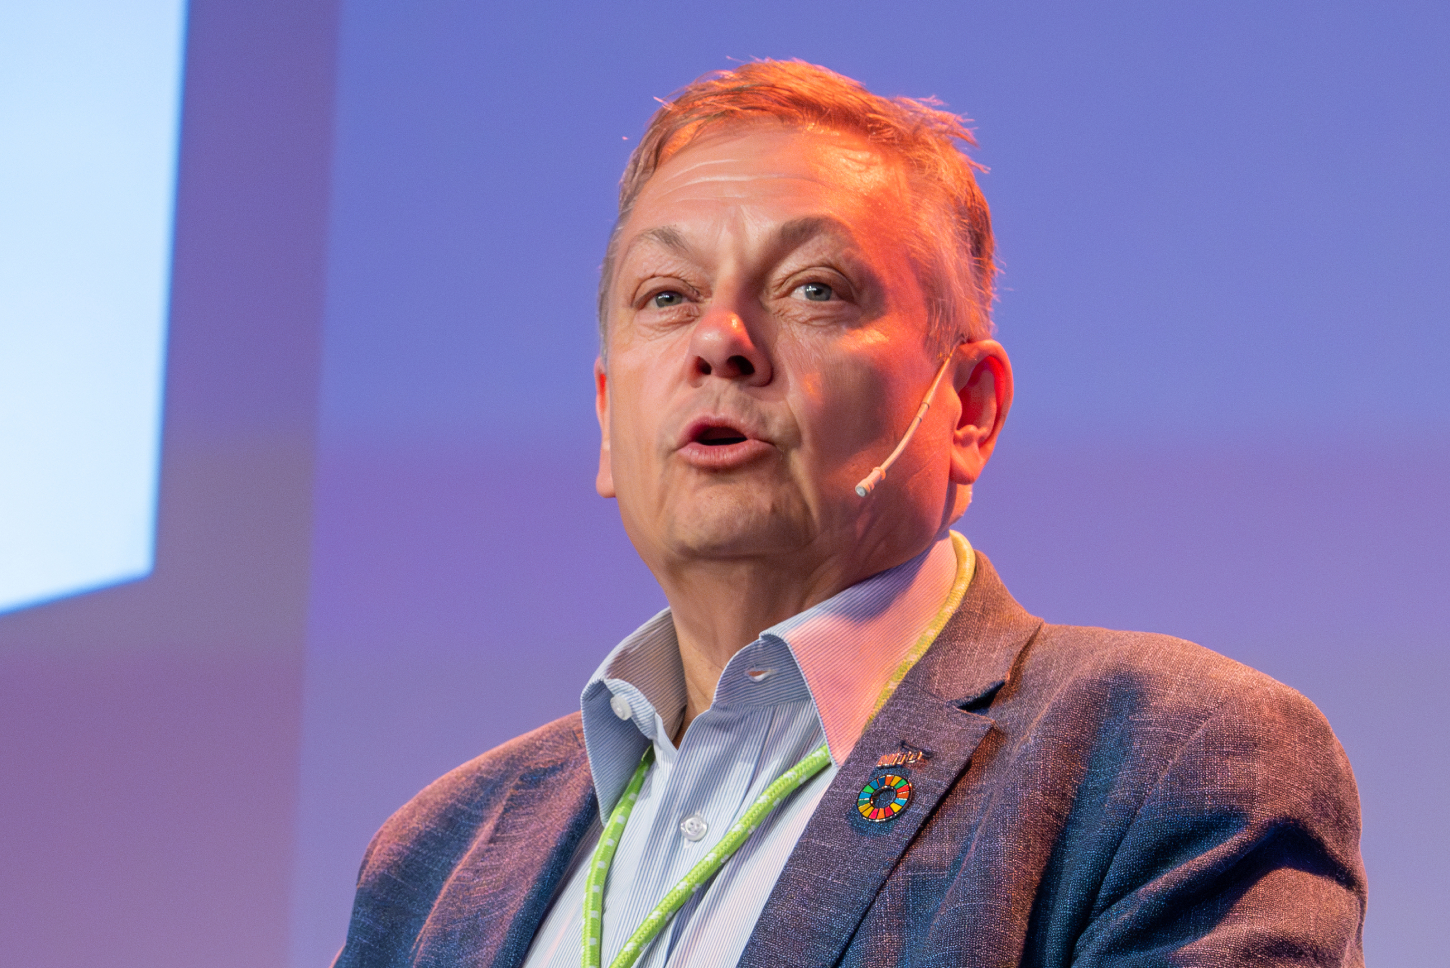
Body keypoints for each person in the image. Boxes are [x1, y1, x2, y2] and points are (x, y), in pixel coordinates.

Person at [335, 61, 1363, 967]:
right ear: (608, 417)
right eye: (665, 295)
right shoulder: (438, 855)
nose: (720, 342)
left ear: (966, 409)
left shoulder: (1165, 757)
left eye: (813, 287)